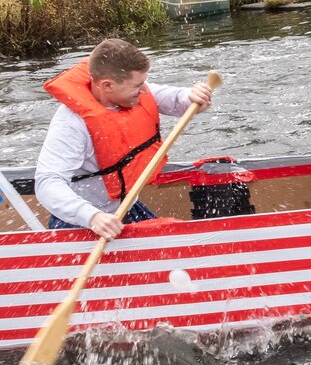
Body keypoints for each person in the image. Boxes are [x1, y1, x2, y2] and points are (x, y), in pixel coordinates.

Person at [35, 38, 215, 236]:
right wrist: (91, 216)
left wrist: (189, 96)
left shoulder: (130, 91)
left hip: (126, 209)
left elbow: (172, 98)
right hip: (84, 222)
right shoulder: (71, 124)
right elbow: (47, 183)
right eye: (138, 85)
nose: (145, 90)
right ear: (107, 85)